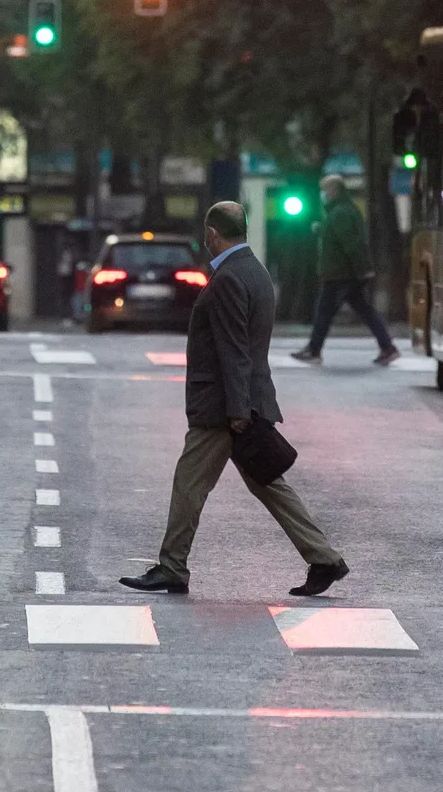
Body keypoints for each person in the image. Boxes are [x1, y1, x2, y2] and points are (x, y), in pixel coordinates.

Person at [121, 201, 350, 598]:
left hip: (224, 408)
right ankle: (325, 559)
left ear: (212, 233)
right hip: (243, 402)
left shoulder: (227, 278)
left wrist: (238, 411)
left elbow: (233, 349)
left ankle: (172, 568)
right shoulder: (255, 271)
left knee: (189, 484)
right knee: (269, 484)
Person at [291, 175, 399, 366]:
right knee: (364, 311)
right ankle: (388, 348)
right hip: (347, 273)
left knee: (324, 311)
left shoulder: (339, 213)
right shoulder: (343, 211)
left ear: (334, 191)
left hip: (340, 273)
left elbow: (350, 244)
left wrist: (361, 269)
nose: (323, 194)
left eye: (325, 190)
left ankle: (314, 350)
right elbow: (341, 238)